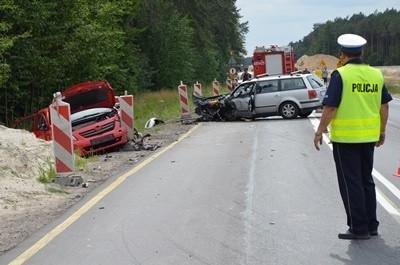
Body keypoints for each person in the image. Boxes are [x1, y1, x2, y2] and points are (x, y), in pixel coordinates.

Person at [313, 33, 392, 240]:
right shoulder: (376, 75)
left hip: (346, 140)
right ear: (362, 52)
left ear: (342, 54)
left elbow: (330, 107)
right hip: (368, 138)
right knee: (366, 180)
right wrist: (382, 130)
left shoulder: (341, 75)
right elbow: (384, 106)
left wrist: (320, 130)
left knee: (351, 183)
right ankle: (372, 225)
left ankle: (358, 228)